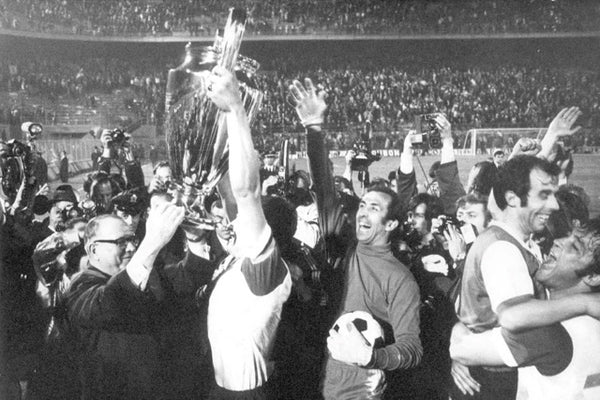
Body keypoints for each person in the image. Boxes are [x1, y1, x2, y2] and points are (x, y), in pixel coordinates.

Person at [288, 78, 422, 400]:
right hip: (315, 383)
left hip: (359, 394)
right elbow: (324, 188)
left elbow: (412, 348)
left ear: (391, 223)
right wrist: (313, 128)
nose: (362, 212)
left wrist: (373, 357)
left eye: (374, 208)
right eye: (363, 205)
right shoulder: (340, 244)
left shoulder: (400, 279)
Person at [454, 155, 575, 399]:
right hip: (498, 381)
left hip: (495, 368)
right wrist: (585, 303)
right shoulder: (502, 251)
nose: (554, 204)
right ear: (512, 199)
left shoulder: (512, 237)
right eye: (544, 195)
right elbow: (515, 317)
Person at [204, 66, 292, 399]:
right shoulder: (243, 259)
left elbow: (245, 192)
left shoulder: (265, 271)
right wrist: (221, 121)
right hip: (222, 388)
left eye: (247, 217)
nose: (235, 218)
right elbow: (229, 191)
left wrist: (236, 109)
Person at [65, 206, 215, 399]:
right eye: (121, 242)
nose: (131, 248)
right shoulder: (80, 287)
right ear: (94, 251)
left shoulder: (146, 275)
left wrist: (196, 238)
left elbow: (187, 277)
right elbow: (113, 300)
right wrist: (152, 242)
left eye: (132, 240)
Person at [451, 219, 600, 399]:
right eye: (567, 235)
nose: (558, 241)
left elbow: (459, 349)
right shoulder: (587, 321)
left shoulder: (548, 330)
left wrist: (459, 331)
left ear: (593, 277)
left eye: (575, 247)